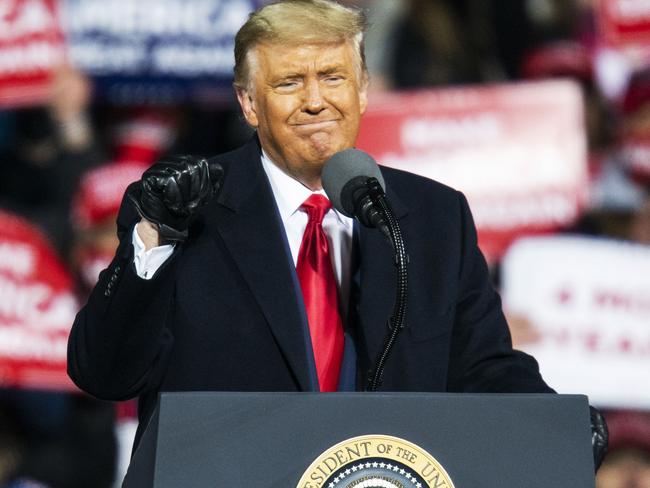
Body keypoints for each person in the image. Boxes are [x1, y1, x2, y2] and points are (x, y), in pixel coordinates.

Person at [68, 0, 601, 462]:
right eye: (289, 83)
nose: (316, 100)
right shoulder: (184, 207)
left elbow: (481, 367)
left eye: (333, 77)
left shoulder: (434, 218)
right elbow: (105, 372)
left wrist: (555, 423)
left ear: (364, 89)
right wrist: (155, 241)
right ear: (249, 103)